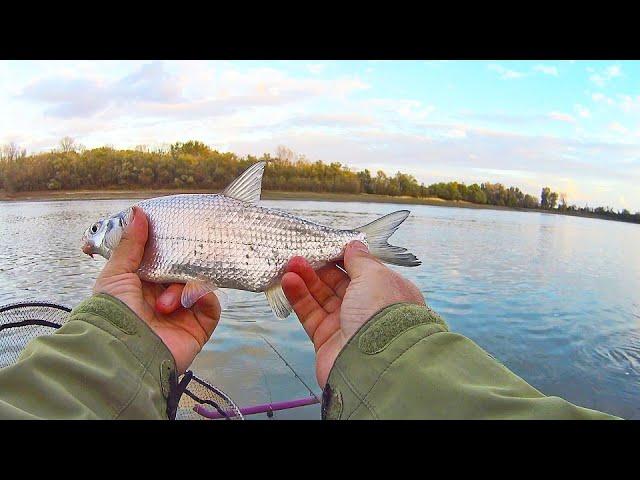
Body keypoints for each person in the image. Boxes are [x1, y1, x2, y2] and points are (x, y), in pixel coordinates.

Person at [0, 208, 619, 419]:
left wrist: (109, 351)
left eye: (105, 233)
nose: (102, 240)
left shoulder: (150, 224)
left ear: (123, 232)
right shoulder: (149, 241)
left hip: (280, 267)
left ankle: (362, 241)